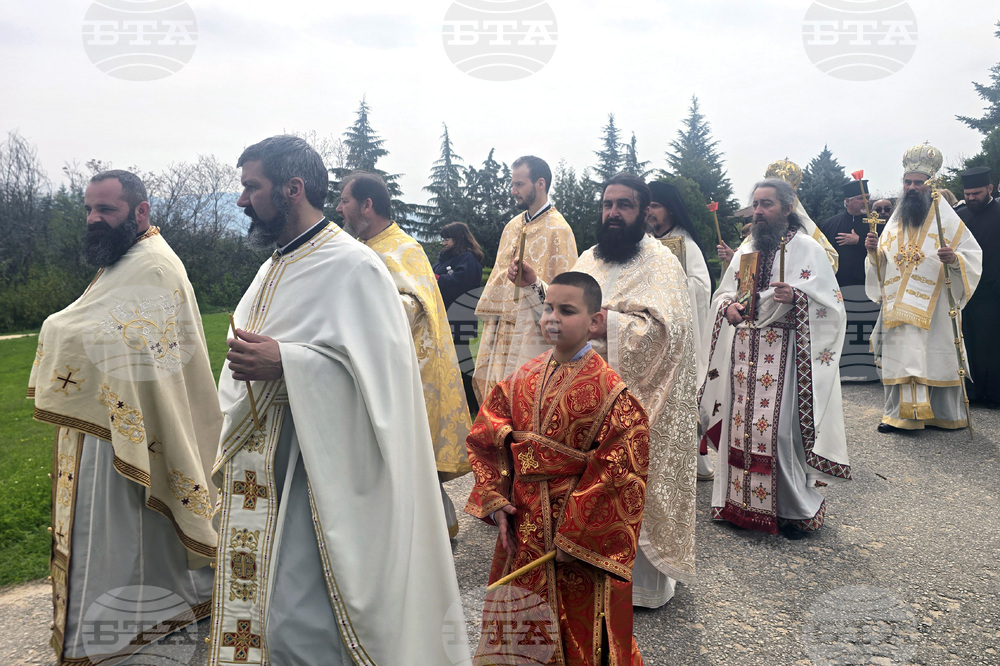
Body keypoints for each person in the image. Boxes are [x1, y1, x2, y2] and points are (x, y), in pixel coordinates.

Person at [210, 136, 469, 664]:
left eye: (250, 187)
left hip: (324, 477)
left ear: (292, 188)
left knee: (303, 619)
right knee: (271, 615)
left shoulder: (355, 267)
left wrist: (290, 363)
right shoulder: (273, 266)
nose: (242, 201)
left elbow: (384, 388)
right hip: (269, 470)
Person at [27, 170, 221, 664]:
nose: (93, 220)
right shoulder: (124, 259)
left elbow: (118, 339)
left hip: (127, 425)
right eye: (89, 210)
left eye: (105, 210)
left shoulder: (153, 264)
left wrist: (54, 328)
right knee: (128, 525)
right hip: (108, 420)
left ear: (140, 211)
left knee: (123, 522)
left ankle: (121, 624)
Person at [515, 173, 697, 608]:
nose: (612, 213)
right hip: (584, 395)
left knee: (626, 481)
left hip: (638, 399)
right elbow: (565, 307)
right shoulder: (588, 258)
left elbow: (667, 331)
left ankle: (641, 588)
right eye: (607, 204)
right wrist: (535, 287)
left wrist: (607, 324)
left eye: (624, 205)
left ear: (643, 212)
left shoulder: (659, 262)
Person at [465, 271, 649, 665]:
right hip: (522, 520)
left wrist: (575, 539)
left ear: (594, 320)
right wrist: (495, 499)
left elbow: (618, 471)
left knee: (577, 623)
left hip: (571, 534)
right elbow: (485, 435)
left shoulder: (611, 390)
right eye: (549, 307)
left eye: (567, 310)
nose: (552, 318)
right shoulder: (521, 378)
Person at [700, 178, 851, 536]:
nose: (758, 211)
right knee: (741, 432)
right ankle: (737, 505)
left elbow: (832, 306)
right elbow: (723, 295)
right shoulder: (745, 250)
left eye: (766, 204)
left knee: (778, 436)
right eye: (755, 204)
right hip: (743, 353)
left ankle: (792, 511)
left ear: (786, 208)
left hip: (785, 353)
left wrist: (798, 298)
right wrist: (730, 308)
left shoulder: (808, 249)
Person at [337, 171, 472, 537]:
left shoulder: (403, 248)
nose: (340, 208)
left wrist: (361, 304)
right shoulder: (364, 247)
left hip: (405, 369)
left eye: (345, 200)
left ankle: (427, 531)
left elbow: (415, 304)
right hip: (372, 364)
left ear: (367, 205)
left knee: (408, 461)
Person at [864, 144, 982, 433]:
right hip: (898, 305)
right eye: (908, 182)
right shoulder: (895, 219)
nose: (913, 187)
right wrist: (872, 253)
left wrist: (955, 258)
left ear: (930, 184)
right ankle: (899, 417)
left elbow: (973, 255)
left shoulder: (947, 218)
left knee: (936, 355)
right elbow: (885, 259)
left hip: (937, 303)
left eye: (919, 182)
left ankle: (944, 414)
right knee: (903, 357)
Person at [473, 155, 577, 402]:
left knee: (528, 403)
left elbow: (568, 292)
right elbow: (499, 275)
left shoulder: (559, 230)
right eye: (513, 184)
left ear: (540, 183)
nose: (513, 191)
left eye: (519, 184)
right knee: (497, 404)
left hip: (534, 335)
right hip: (503, 331)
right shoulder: (511, 226)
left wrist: (533, 283)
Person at [647, 180, 714, 480]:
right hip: (651, 332)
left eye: (655, 206)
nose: (648, 212)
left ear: (671, 210)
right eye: (645, 206)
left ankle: (697, 462)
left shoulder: (685, 244)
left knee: (685, 398)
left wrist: (671, 286)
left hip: (681, 334)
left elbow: (701, 287)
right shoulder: (646, 242)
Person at [823, 179, 884, 381]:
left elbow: (884, 252)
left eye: (867, 198)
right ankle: (844, 369)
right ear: (847, 201)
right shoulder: (831, 224)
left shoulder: (878, 225)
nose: (865, 202)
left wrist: (858, 241)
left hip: (869, 286)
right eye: (860, 199)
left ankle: (868, 369)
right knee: (844, 326)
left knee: (867, 325)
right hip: (840, 287)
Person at [433, 221, 485, 418]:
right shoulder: (444, 258)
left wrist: (439, 279)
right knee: (447, 361)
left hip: (460, 317)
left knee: (462, 362)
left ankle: (473, 403)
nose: (444, 243)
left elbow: (463, 284)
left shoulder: (469, 259)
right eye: (443, 239)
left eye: (448, 239)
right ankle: (455, 399)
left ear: (458, 238)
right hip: (445, 317)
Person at [958, 167, 1000, 407]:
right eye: (968, 193)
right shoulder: (961, 217)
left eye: (976, 193)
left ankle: (994, 394)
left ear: (990, 189)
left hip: (995, 293)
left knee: (993, 345)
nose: (972, 197)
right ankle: (970, 393)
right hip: (966, 293)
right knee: (969, 343)